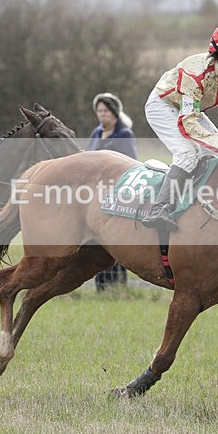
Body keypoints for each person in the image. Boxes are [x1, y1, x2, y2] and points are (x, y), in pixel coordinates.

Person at [142, 21, 218, 231]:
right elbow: (188, 123)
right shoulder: (195, 74)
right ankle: (158, 209)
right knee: (188, 153)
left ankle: (203, 204)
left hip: (190, 110)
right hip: (162, 106)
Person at [88, 92, 138, 290]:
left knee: (115, 235)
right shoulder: (95, 133)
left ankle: (117, 285)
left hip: (117, 192)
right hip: (96, 194)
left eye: (106, 111)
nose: (102, 115)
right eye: (99, 111)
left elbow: (131, 161)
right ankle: (101, 285)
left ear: (115, 113)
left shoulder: (125, 134)